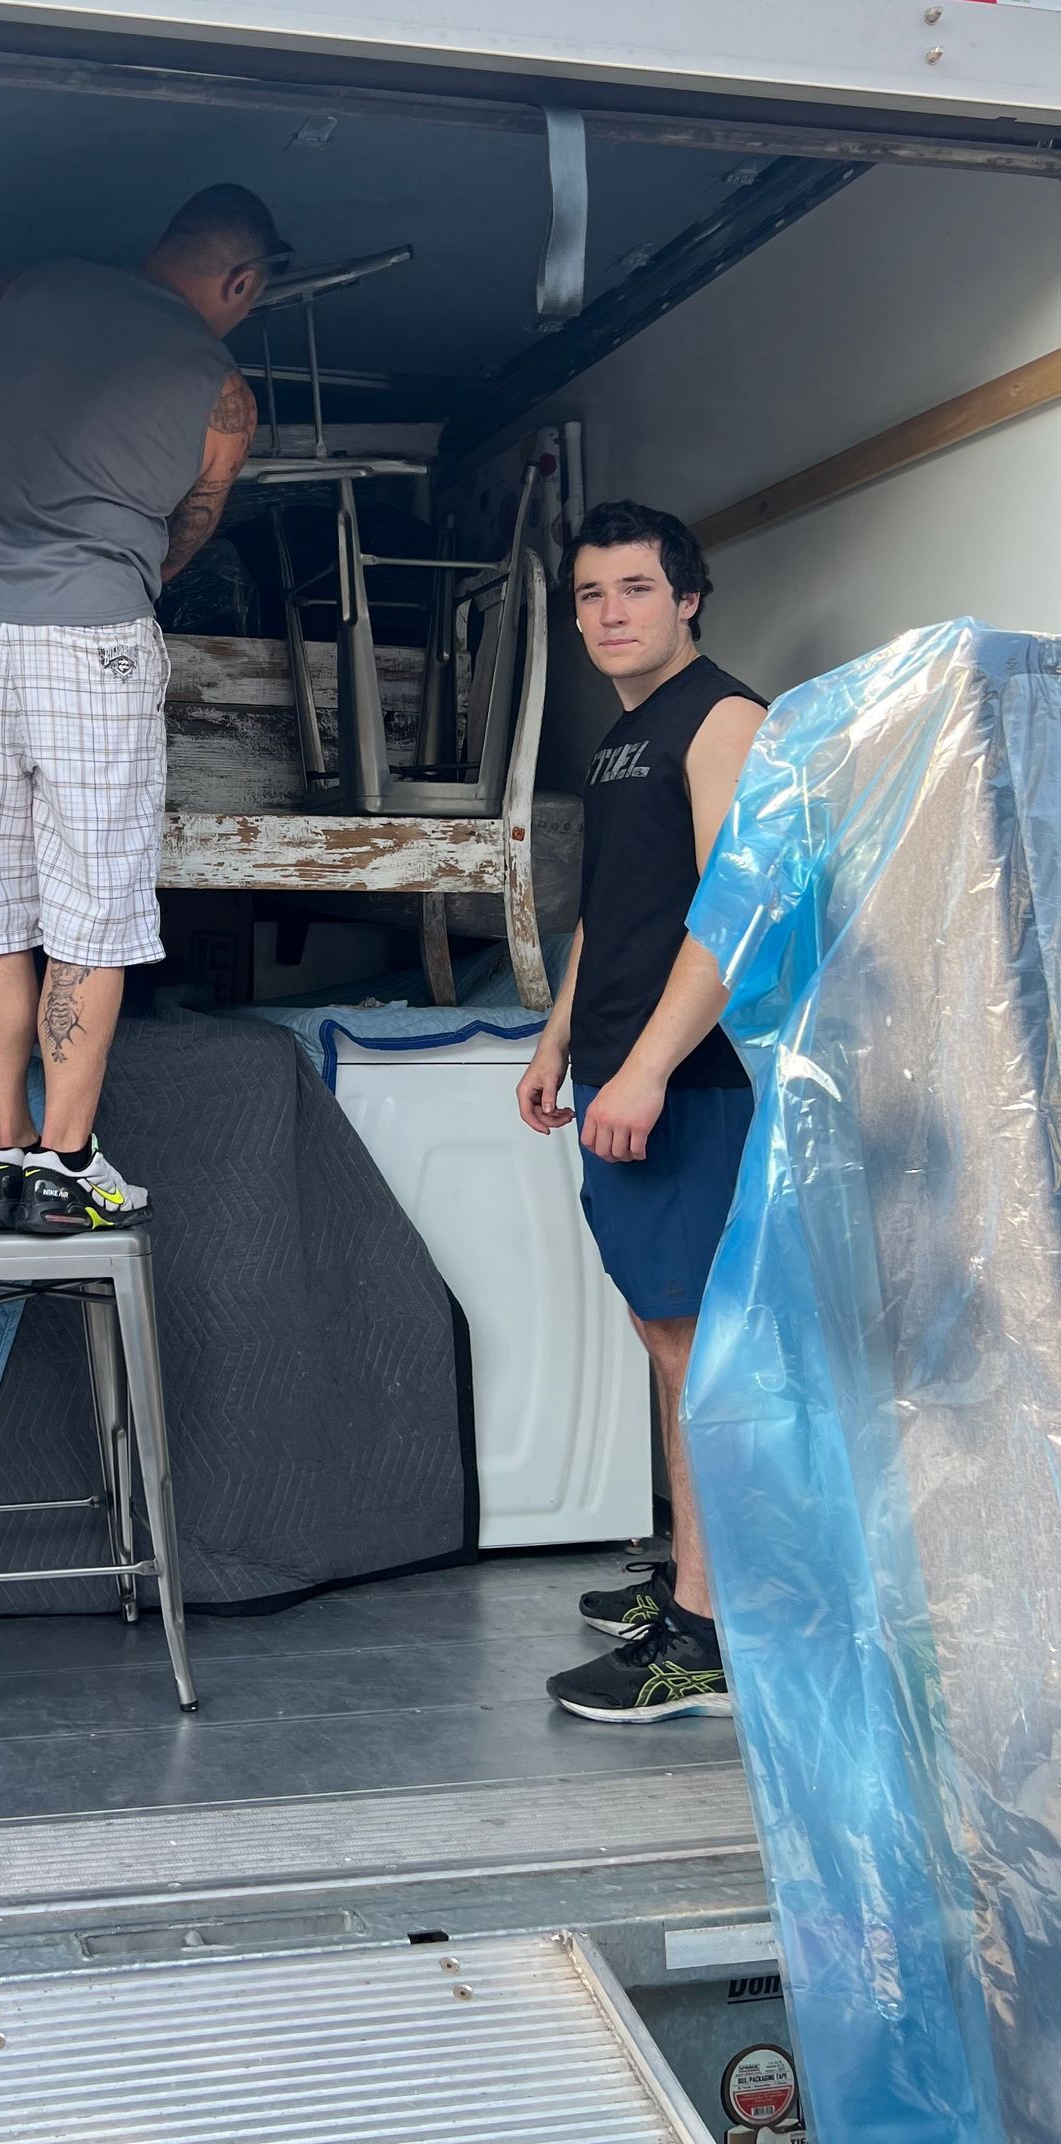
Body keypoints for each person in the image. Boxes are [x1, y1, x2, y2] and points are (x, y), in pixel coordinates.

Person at [0, 184, 287, 1234]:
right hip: (94, 638)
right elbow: (182, 536)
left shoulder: (13, 294)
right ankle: (68, 1158)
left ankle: (3, 1151)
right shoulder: (223, 391)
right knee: (91, 907)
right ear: (240, 282)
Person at [517, 499, 766, 1723]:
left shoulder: (721, 718)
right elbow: (609, 911)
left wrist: (653, 1067)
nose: (610, 614)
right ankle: (693, 1583)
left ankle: (705, 1637)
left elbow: (737, 909)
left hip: (683, 1085)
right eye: (591, 597)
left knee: (694, 1354)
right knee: (671, 1344)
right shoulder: (627, 738)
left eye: (635, 590)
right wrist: (559, 1040)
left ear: (689, 598)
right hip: (618, 1071)